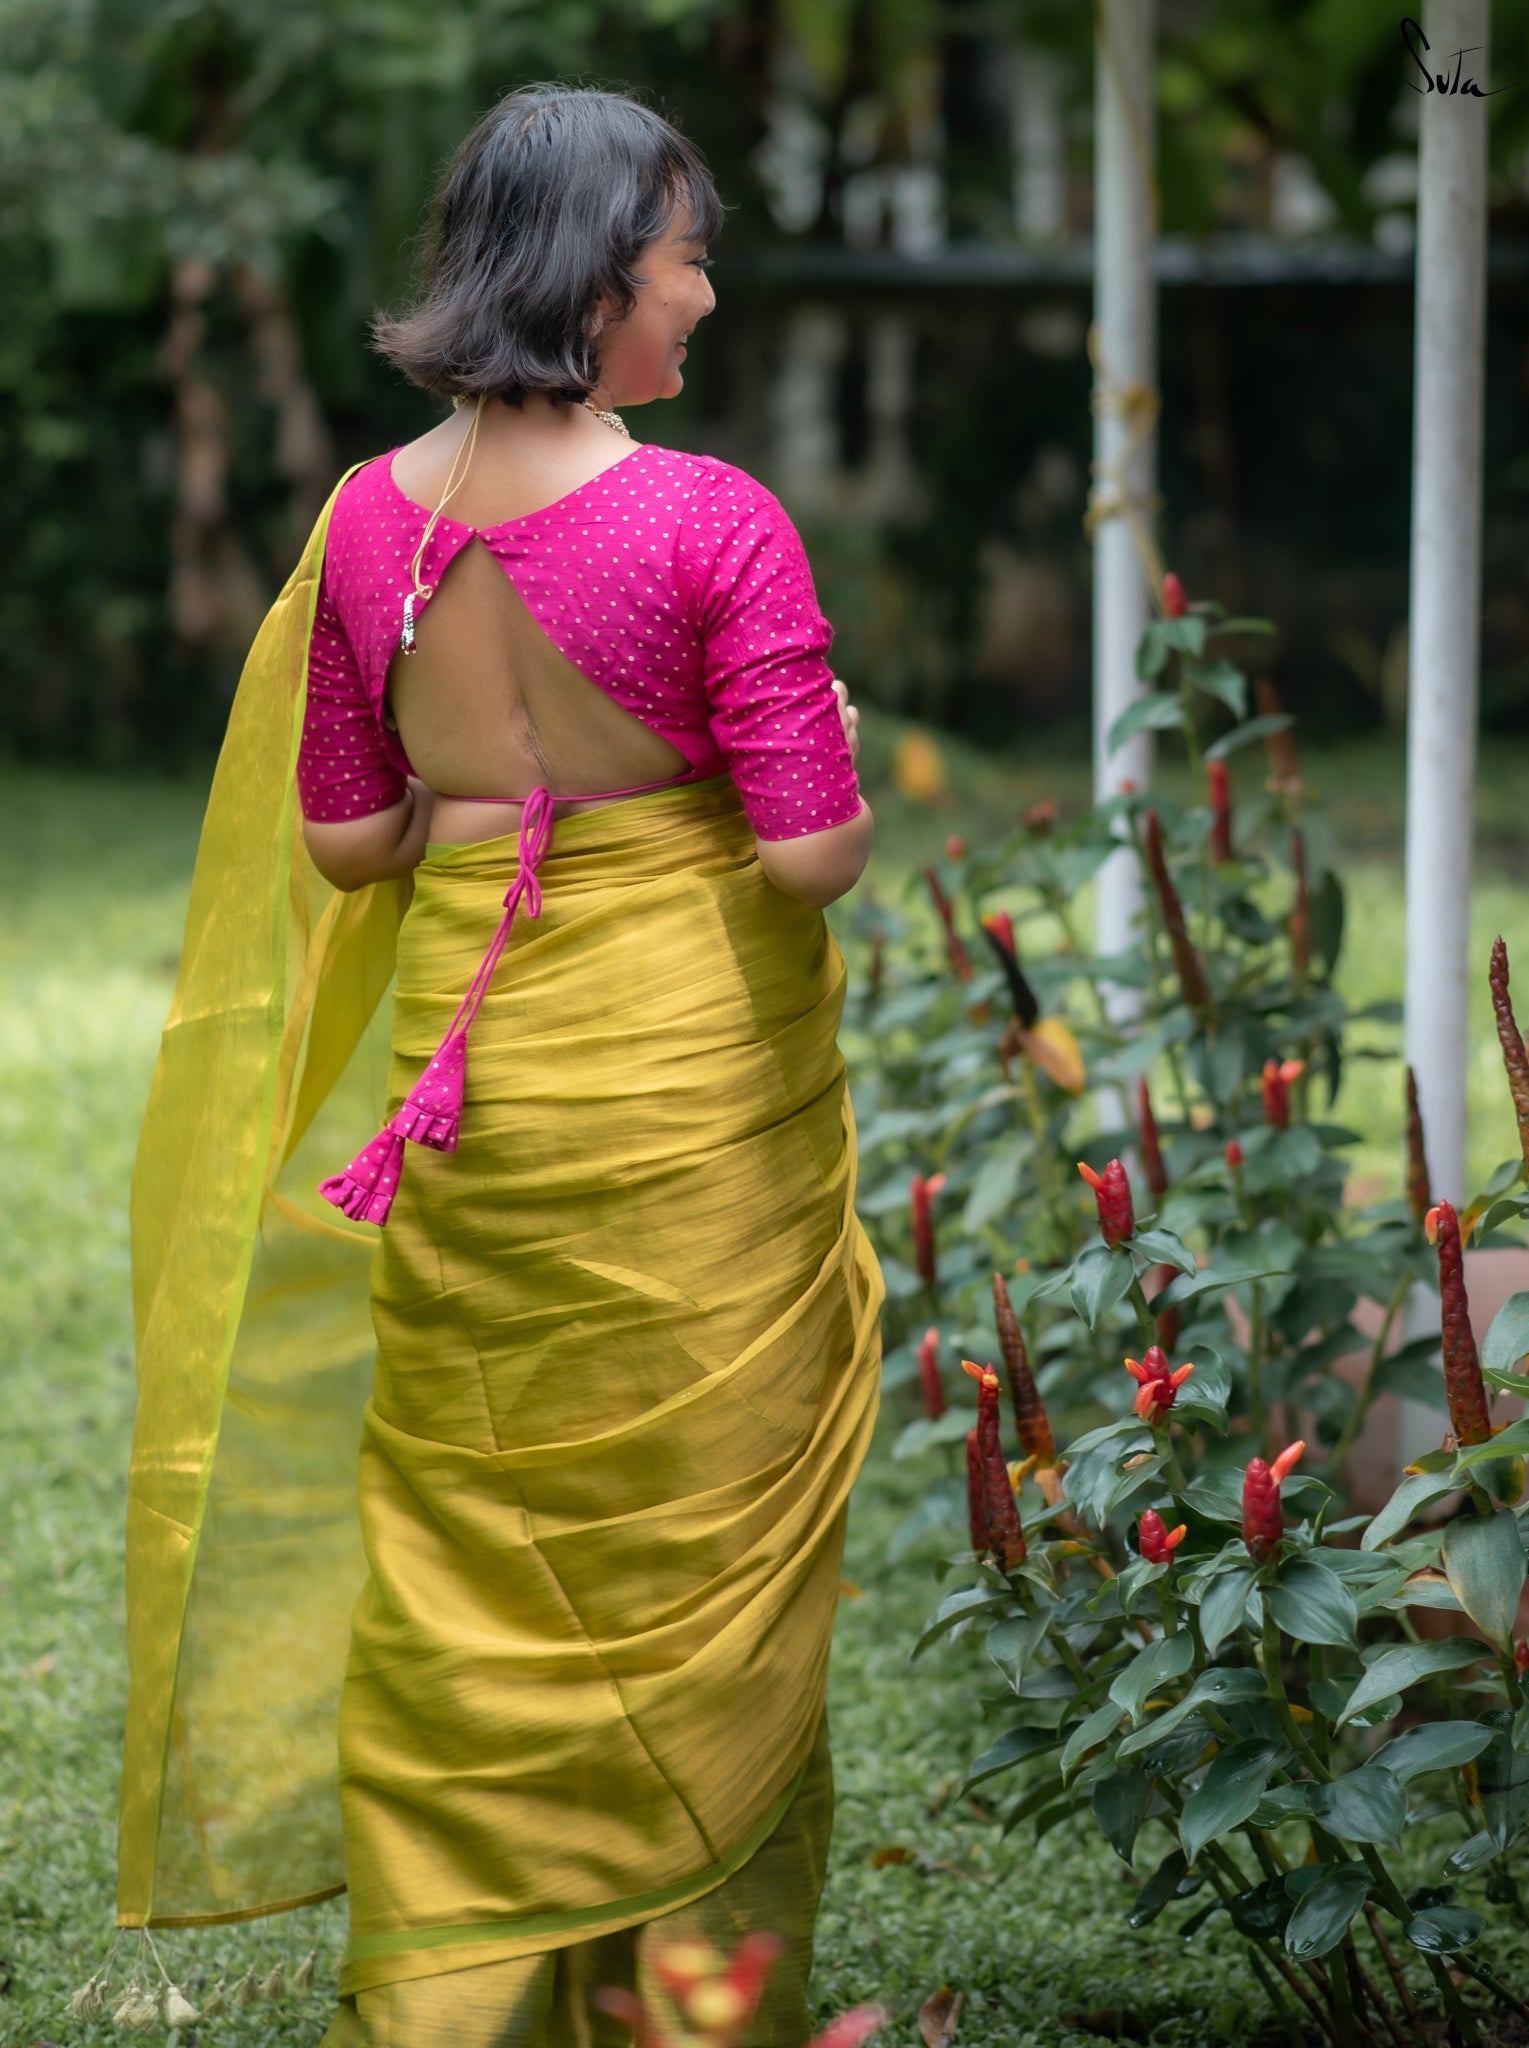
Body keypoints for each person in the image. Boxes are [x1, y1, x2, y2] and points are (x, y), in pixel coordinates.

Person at [117, 82, 884, 2048]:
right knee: (695, 1536)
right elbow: (809, 857)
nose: (701, 297)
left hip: (475, 1106)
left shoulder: (367, 521)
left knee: (478, 1550)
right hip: (684, 1100)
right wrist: (833, 754)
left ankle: (465, 2003)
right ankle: (690, 2002)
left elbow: (350, 843)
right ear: (599, 279)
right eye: (686, 259)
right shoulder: (711, 518)